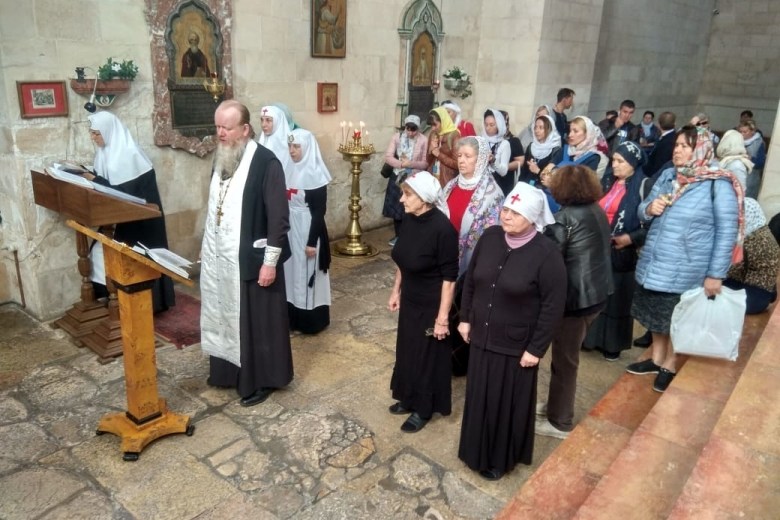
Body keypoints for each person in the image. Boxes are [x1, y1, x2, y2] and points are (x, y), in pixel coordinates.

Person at [457, 182, 567, 480]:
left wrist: (536, 349)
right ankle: (474, 450)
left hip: (516, 346)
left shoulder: (547, 254)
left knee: (504, 403)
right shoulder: (490, 237)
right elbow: (471, 280)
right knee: (479, 395)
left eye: (515, 213)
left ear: (532, 218)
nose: (506, 216)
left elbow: (553, 307)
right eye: (505, 209)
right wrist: (465, 318)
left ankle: (500, 459)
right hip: (481, 336)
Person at [627, 126, 741, 393]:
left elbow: (726, 231)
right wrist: (649, 208)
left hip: (689, 266)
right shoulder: (669, 175)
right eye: (676, 145)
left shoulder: (717, 183)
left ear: (700, 150)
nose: (677, 150)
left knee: (678, 319)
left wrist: (715, 274)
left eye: (684, 146)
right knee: (656, 314)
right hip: (657, 260)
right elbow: (642, 210)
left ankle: (671, 364)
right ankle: (657, 359)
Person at [201, 100, 293, 407]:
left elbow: (279, 219)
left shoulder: (266, 163)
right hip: (224, 258)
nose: (220, 133)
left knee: (258, 325)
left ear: (245, 129)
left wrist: (270, 263)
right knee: (227, 316)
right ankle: (228, 371)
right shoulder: (223, 157)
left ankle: (262, 380)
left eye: (227, 128)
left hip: (255, 261)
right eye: (217, 127)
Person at [537, 165, 612, 439]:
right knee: (566, 357)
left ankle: (560, 421)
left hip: (576, 302)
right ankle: (555, 406)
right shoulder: (596, 210)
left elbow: (547, 263)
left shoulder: (563, 220)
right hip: (597, 295)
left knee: (565, 361)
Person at [387, 171, 459, 433]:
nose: (402, 200)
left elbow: (449, 279)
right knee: (408, 350)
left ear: (425, 198)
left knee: (427, 356)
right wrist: (396, 291)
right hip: (411, 298)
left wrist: (442, 318)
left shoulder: (443, 230)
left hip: (432, 303)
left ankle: (424, 408)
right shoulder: (409, 219)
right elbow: (402, 259)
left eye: (407, 194)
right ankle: (408, 396)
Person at [85, 111, 175, 313]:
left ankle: (144, 305)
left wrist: (94, 180)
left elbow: (124, 194)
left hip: (140, 222)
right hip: (120, 218)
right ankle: (115, 299)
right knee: (98, 253)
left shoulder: (128, 155)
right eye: (92, 133)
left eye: (96, 133)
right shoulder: (105, 152)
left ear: (108, 132)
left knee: (127, 258)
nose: (93, 137)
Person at [442, 136, 504, 375]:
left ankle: (458, 362)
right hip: (445, 258)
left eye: (468, 156)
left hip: (470, 265)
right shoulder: (451, 185)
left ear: (481, 160)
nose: (462, 161)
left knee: (462, 311)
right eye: (459, 156)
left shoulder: (492, 194)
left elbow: (492, 236)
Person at [583, 141, 648, 361]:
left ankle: (612, 344)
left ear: (633, 163)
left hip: (622, 250)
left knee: (617, 296)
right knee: (597, 293)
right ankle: (591, 339)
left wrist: (631, 238)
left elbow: (651, 223)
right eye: (613, 160)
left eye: (620, 161)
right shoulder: (608, 181)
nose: (615, 165)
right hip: (599, 245)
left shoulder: (643, 185)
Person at [285, 129, 332, 334]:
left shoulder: (316, 174)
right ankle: (292, 318)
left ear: (307, 148)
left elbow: (319, 212)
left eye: (296, 147)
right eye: (290, 146)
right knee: (291, 272)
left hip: (307, 228)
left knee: (306, 273)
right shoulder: (288, 168)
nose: (291, 151)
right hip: (290, 228)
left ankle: (310, 321)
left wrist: (312, 242)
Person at [724, 198, 779, 314]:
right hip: (753, 280)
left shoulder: (753, 241)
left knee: (717, 295)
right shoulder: (760, 231)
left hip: (756, 290)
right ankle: (770, 291)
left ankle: (767, 294)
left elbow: (730, 267)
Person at [382, 115, 429, 246]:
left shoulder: (423, 140)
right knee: (397, 208)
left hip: (414, 178)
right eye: (408, 129)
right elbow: (388, 157)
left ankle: (410, 236)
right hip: (397, 175)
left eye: (414, 130)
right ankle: (398, 236)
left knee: (412, 207)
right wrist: (401, 164)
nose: (410, 133)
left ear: (418, 129)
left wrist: (411, 164)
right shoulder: (396, 137)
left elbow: (425, 163)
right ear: (405, 127)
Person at [519, 114, 562, 186]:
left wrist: (538, 171)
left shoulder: (556, 150)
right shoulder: (531, 146)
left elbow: (552, 179)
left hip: (543, 189)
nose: (537, 131)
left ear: (549, 129)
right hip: (527, 186)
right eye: (535, 127)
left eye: (541, 128)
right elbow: (524, 171)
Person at [426, 107, 461, 187]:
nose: (433, 128)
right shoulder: (433, 134)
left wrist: (439, 154)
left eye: (435, 124)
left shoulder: (454, 135)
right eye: (431, 125)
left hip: (447, 180)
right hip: (432, 178)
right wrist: (430, 151)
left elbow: (457, 164)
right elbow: (428, 161)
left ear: (443, 121)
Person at [257, 105, 294, 178]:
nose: (263, 125)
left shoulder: (291, 145)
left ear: (278, 121)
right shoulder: (261, 142)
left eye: (268, 120)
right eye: (262, 120)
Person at [482, 108, 512, 195]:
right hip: (480, 182)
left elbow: (503, 172)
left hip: (496, 184)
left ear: (499, 125)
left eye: (492, 125)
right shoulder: (480, 140)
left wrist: (493, 161)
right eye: (486, 124)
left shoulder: (504, 144)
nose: (488, 128)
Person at [643, 111, 677, 180]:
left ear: (659, 125)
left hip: (656, 176)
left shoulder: (667, 141)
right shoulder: (674, 137)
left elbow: (659, 164)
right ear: (674, 124)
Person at [738, 119, 766, 198]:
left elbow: (761, 163)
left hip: (751, 179)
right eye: (740, 132)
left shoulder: (758, 143)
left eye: (745, 132)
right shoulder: (737, 141)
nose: (742, 134)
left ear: (752, 131)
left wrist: (750, 158)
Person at [500, 110, 525, 190]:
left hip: (505, 180)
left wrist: (503, 167)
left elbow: (520, 161)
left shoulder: (513, 141)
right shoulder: (488, 139)